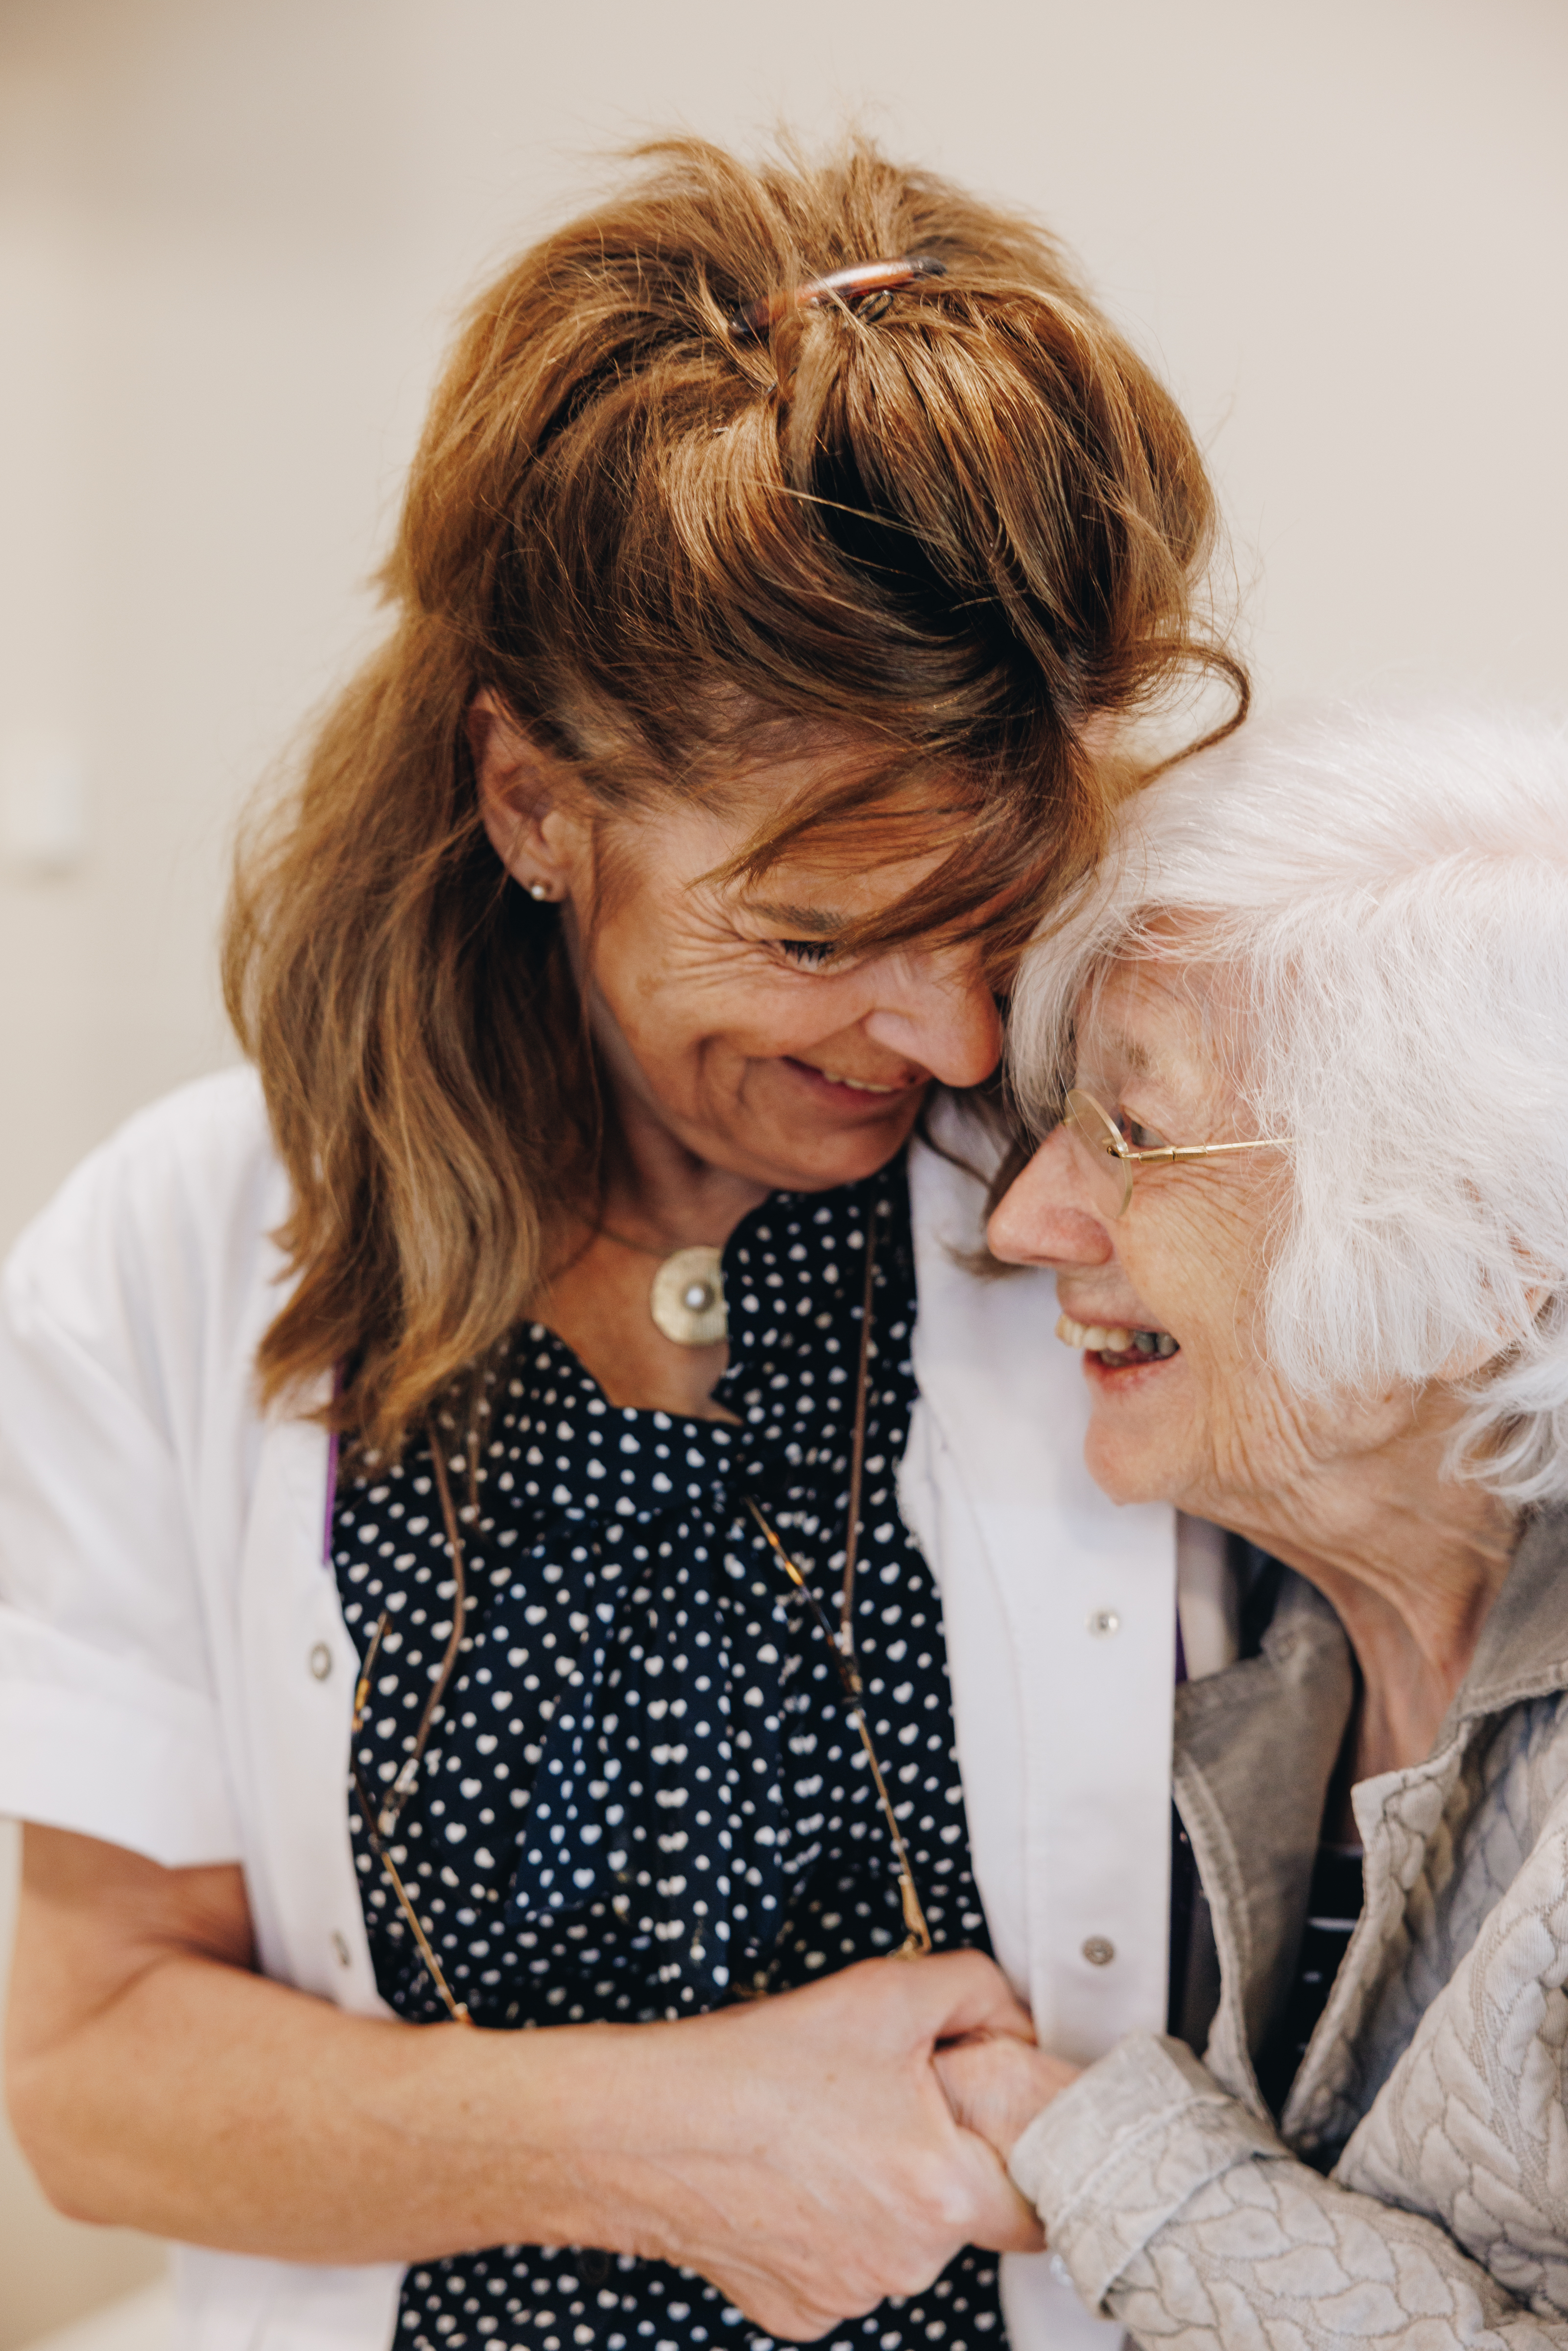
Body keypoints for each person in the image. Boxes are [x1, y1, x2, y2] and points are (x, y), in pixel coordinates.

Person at [0, 139, 1244, 2351]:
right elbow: (94, 2073)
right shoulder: (175, 1259)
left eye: (996, 914)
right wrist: (674, 2144)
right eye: (820, 933)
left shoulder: (1113, 1226)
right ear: (529, 803)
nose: (950, 1035)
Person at [938, 698, 1568, 2350]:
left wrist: (1089, 2147)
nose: (1024, 1218)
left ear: (1481, 1263)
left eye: (1136, 1133)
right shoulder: (1260, 1631)